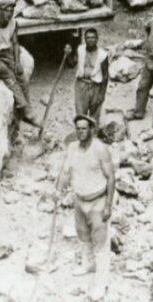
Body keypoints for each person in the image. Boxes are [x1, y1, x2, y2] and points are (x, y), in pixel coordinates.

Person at [55, 114, 115, 287]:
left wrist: (108, 206)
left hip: (98, 200)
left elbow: (111, 177)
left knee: (100, 241)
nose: (80, 132)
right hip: (79, 199)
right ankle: (88, 264)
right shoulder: (72, 147)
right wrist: (58, 190)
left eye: (84, 128)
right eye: (78, 129)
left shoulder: (100, 149)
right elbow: (65, 172)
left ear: (92, 130)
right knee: (82, 235)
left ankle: (102, 282)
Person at [0, 0, 41, 128]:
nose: (9, 14)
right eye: (6, 11)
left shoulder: (13, 23)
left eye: (11, 10)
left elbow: (15, 43)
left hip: (7, 52)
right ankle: (24, 108)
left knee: (20, 76)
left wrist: (17, 61)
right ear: (0, 11)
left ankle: (27, 107)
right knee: (7, 74)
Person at [74, 28, 110, 124]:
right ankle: (82, 135)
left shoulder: (102, 54)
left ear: (97, 39)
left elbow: (106, 75)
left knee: (95, 114)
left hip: (95, 86)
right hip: (81, 84)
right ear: (85, 39)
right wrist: (67, 53)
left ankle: (93, 135)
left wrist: (102, 94)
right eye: (88, 37)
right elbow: (72, 62)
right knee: (80, 114)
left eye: (93, 37)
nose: (90, 40)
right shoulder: (80, 49)